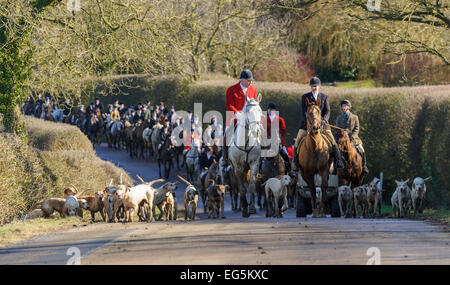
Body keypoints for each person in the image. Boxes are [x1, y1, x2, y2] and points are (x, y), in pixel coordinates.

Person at [293, 77, 344, 171]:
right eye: (312, 86)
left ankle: (338, 161)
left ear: (319, 86)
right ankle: (295, 164)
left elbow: (327, 111)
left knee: (332, 141)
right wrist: (309, 122)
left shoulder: (324, 97)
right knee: (298, 141)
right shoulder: (305, 97)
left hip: (322, 125)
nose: (314, 88)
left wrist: (324, 119)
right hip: (307, 125)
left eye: (315, 86)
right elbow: (304, 112)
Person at [222, 69, 258, 165]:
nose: (250, 82)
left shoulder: (253, 90)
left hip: (249, 119)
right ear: (242, 80)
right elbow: (229, 105)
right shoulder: (231, 89)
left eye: (251, 81)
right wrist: (238, 114)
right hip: (234, 118)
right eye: (249, 80)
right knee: (226, 134)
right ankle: (224, 159)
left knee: (260, 132)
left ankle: (260, 158)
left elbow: (253, 104)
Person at [336, 100, 369, 175]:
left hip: (353, 139)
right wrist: (342, 132)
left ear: (349, 107)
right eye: (342, 106)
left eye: (345, 106)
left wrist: (351, 136)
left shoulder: (355, 117)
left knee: (362, 150)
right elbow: (338, 129)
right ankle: (336, 167)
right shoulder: (339, 118)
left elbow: (356, 129)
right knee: (334, 150)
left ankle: (364, 166)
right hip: (342, 139)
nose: (343, 107)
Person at [264, 102, 291, 171]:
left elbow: (283, 131)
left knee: (286, 155)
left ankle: (290, 171)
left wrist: (278, 136)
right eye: (269, 109)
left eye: (272, 109)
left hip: (279, 141)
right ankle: (258, 172)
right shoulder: (264, 119)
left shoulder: (280, 120)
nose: (270, 111)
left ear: (275, 111)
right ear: (267, 110)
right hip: (267, 142)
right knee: (259, 157)